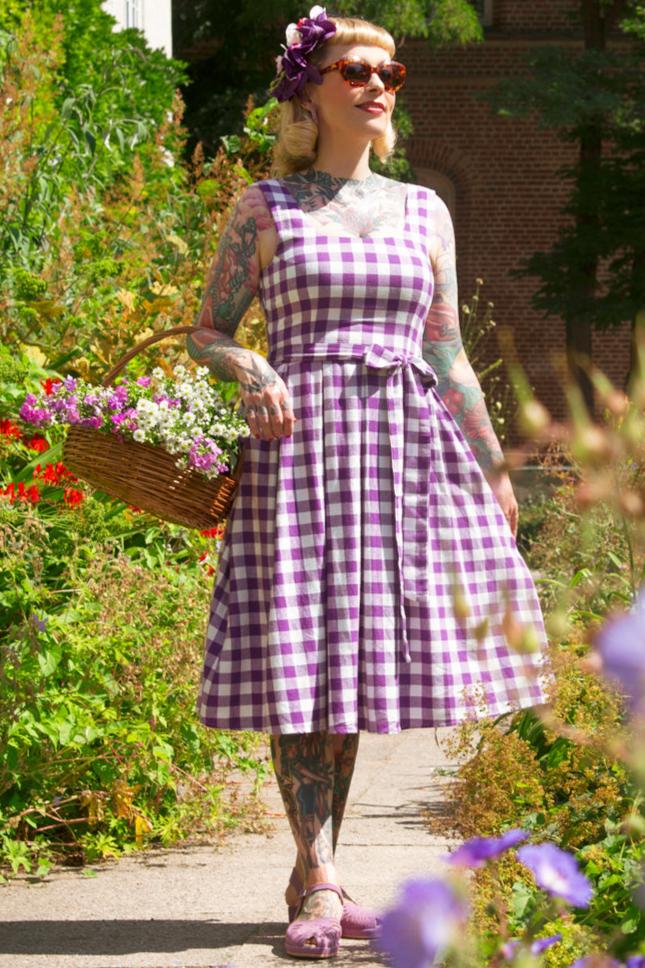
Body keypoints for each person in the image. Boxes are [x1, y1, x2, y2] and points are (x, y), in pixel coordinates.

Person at [185, 6, 554, 959]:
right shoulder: (263, 208)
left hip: (403, 451)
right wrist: (251, 368)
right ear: (309, 88)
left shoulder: (423, 209)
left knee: (358, 671)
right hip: (301, 453)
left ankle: (320, 870)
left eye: (389, 72)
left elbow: (448, 352)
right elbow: (208, 328)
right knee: (306, 664)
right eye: (354, 70)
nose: (377, 86)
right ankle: (321, 876)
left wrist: (491, 467)